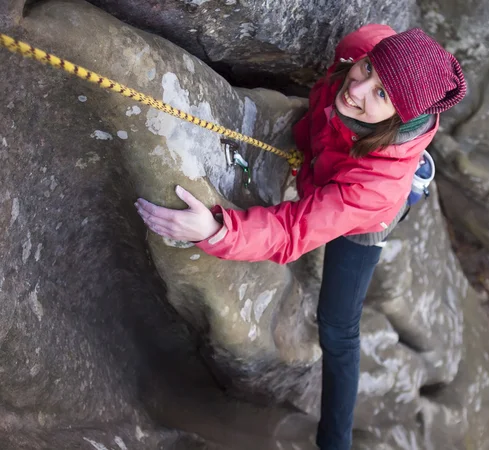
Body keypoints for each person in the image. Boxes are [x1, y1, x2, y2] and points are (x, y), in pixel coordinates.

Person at [135, 24, 466, 450]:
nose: (357, 88)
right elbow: (361, 64)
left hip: (367, 213)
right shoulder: (363, 46)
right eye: (367, 69)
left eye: (381, 94)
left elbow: (294, 230)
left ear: (400, 117)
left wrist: (218, 230)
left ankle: (335, 441)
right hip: (330, 156)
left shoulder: (373, 188)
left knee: (337, 327)